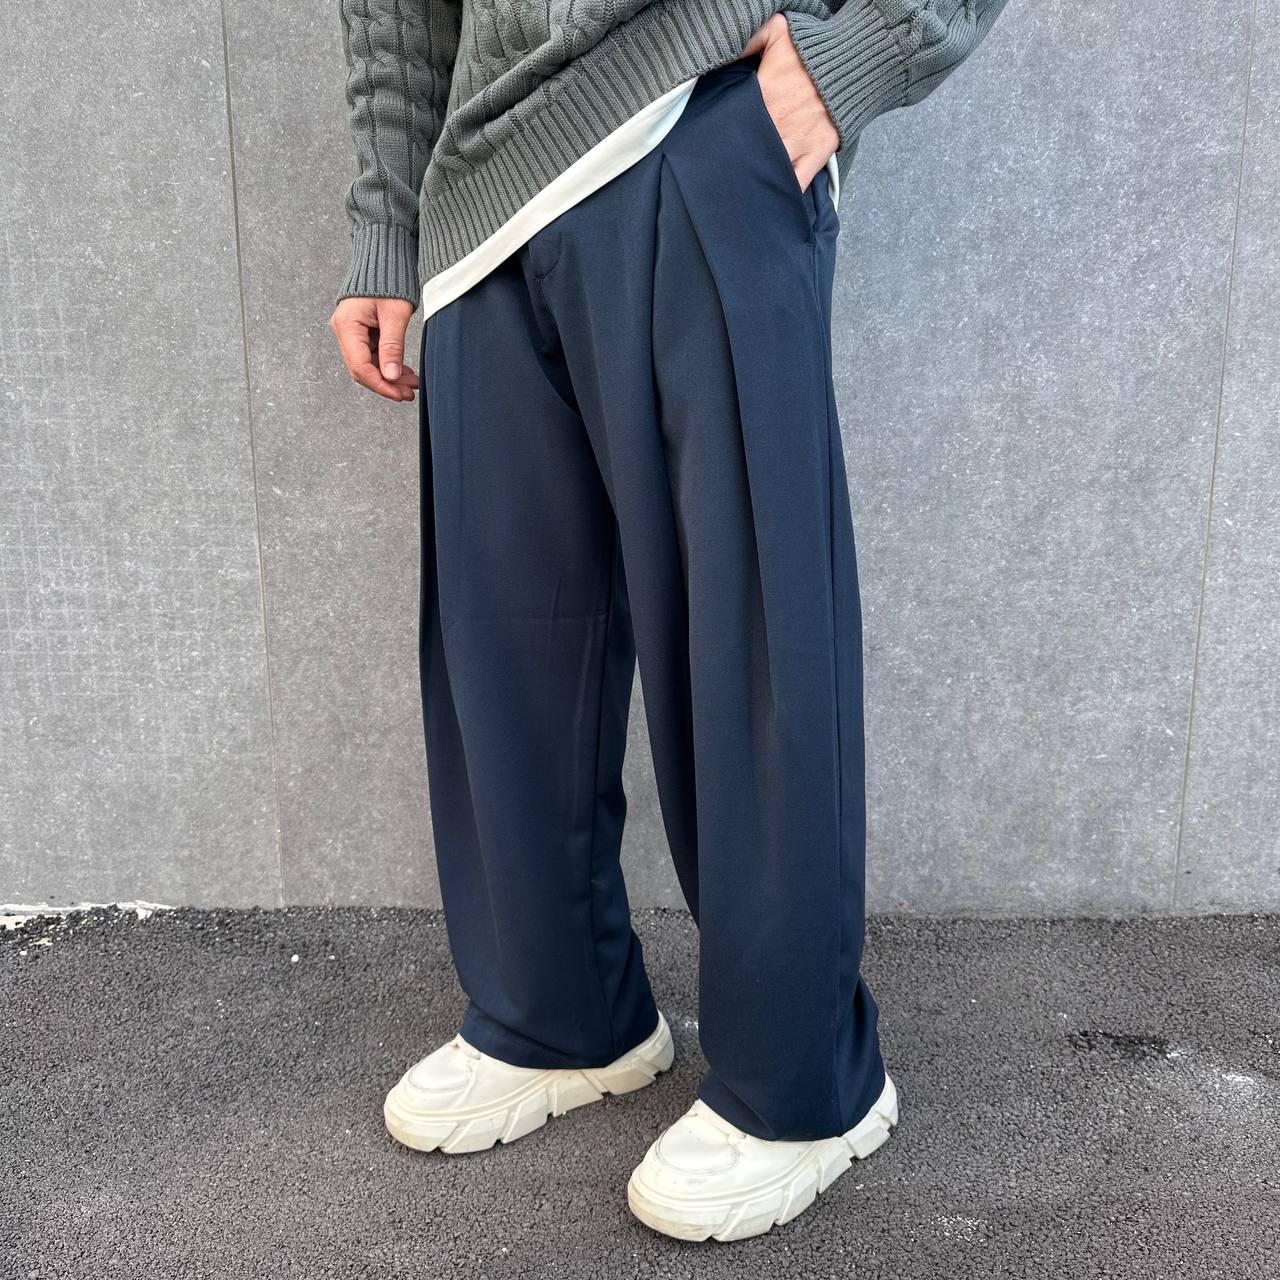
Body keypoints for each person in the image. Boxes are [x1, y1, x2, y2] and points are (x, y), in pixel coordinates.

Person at [330, 0, 1009, 1243]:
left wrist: (864, 49)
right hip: (478, 198)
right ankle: (558, 1014)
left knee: (746, 643)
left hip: (691, 112)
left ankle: (802, 1085)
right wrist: (388, 216)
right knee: (504, 643)